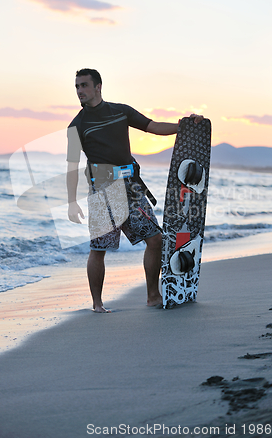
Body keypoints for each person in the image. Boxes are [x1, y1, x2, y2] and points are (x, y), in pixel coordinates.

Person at [66, 68, 203, 313]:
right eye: (77, 86)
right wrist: (71, 202)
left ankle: (153, 295)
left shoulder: (120, 111)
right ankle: (97, 304)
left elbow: (153, 126)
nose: (79, 91)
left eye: (84, 85)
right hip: (103, 191)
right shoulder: (77, 125)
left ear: (98, 86)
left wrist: (183, 125)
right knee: (99, 248)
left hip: (131, 188)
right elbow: (71, 166)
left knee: (156, 239)